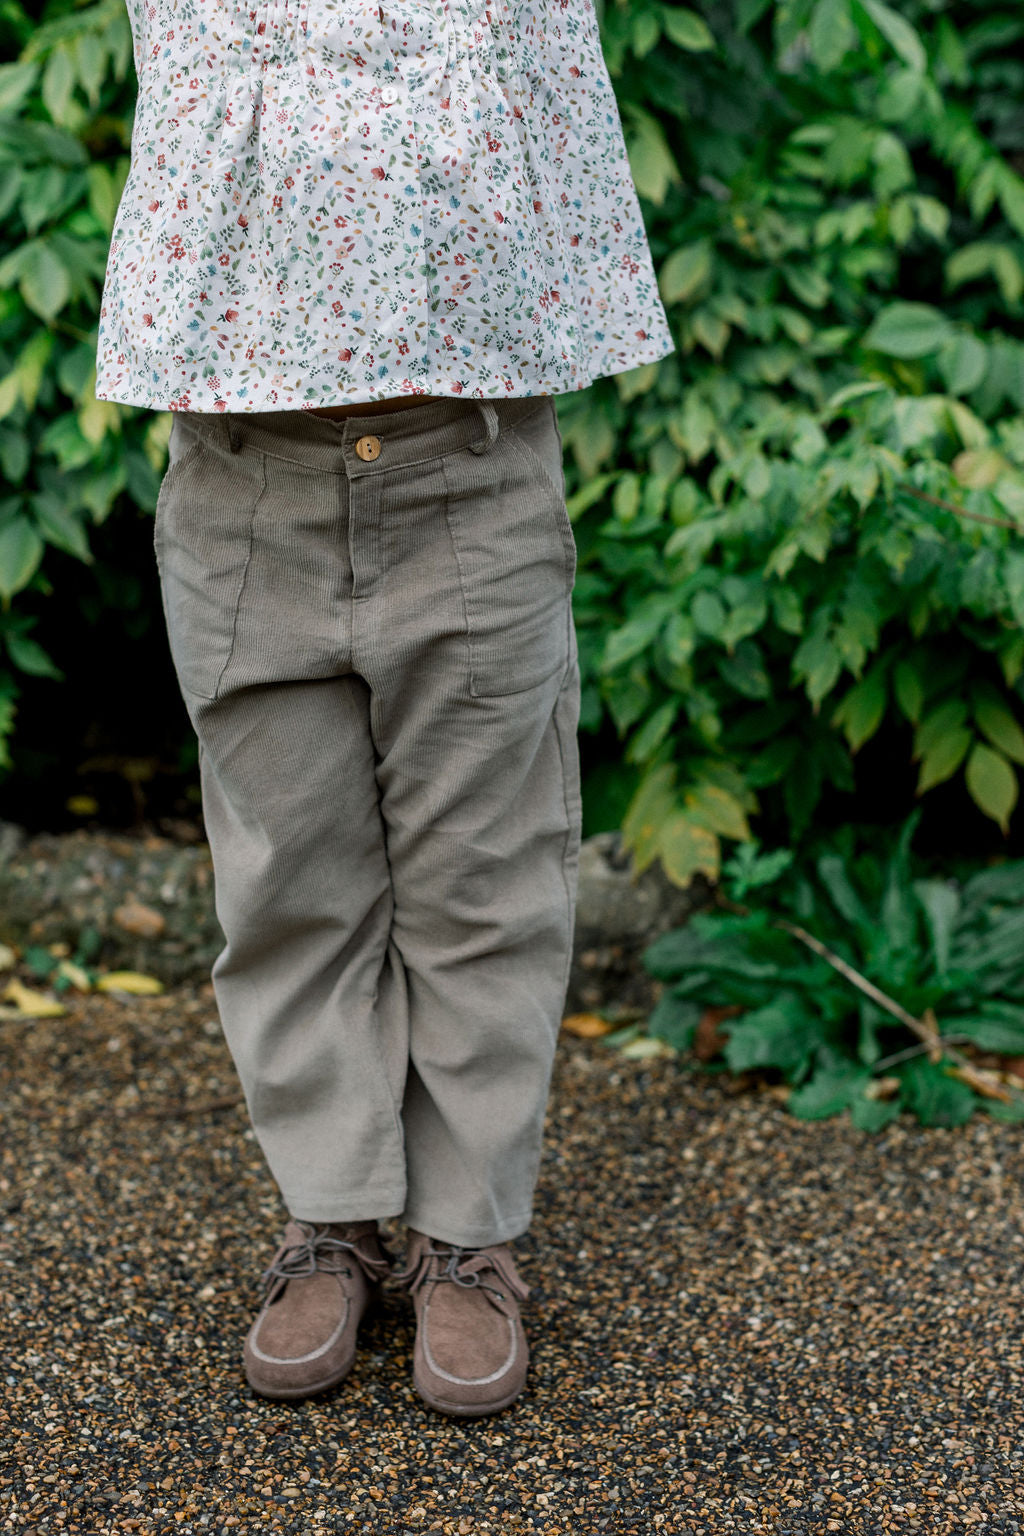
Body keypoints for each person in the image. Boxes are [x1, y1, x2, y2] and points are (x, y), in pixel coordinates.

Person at [95, 0, 674, 1417]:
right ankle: (330, 1215)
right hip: (248, 489)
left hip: (467, 474)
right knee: (292, 883)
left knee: (486, 881)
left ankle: (469, 1238)